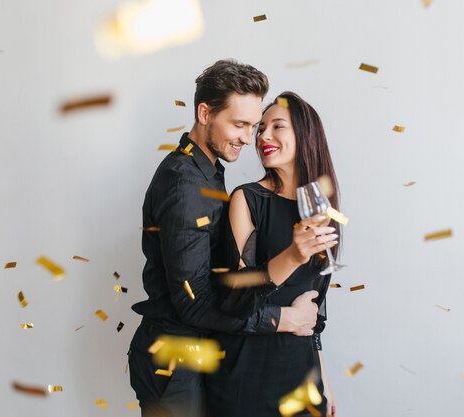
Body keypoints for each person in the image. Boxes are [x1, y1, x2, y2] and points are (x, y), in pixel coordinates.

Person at [128, 61, 336, 417]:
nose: (249, 137)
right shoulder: (186, 186)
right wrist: (283, 319)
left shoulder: (209, 173)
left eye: (252, 126)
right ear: (204, 113)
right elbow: (195, 302)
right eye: (241, 125)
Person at [205, 91, 341, 417]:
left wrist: (324, 382)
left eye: (277, 126)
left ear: (306, 135)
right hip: (247, 381)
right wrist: (293, 256)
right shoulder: (247, 199)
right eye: (261, 128)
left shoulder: (321, 209)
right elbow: (233, 298)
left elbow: (314, 312)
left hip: (303, 383)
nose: (263, 136)